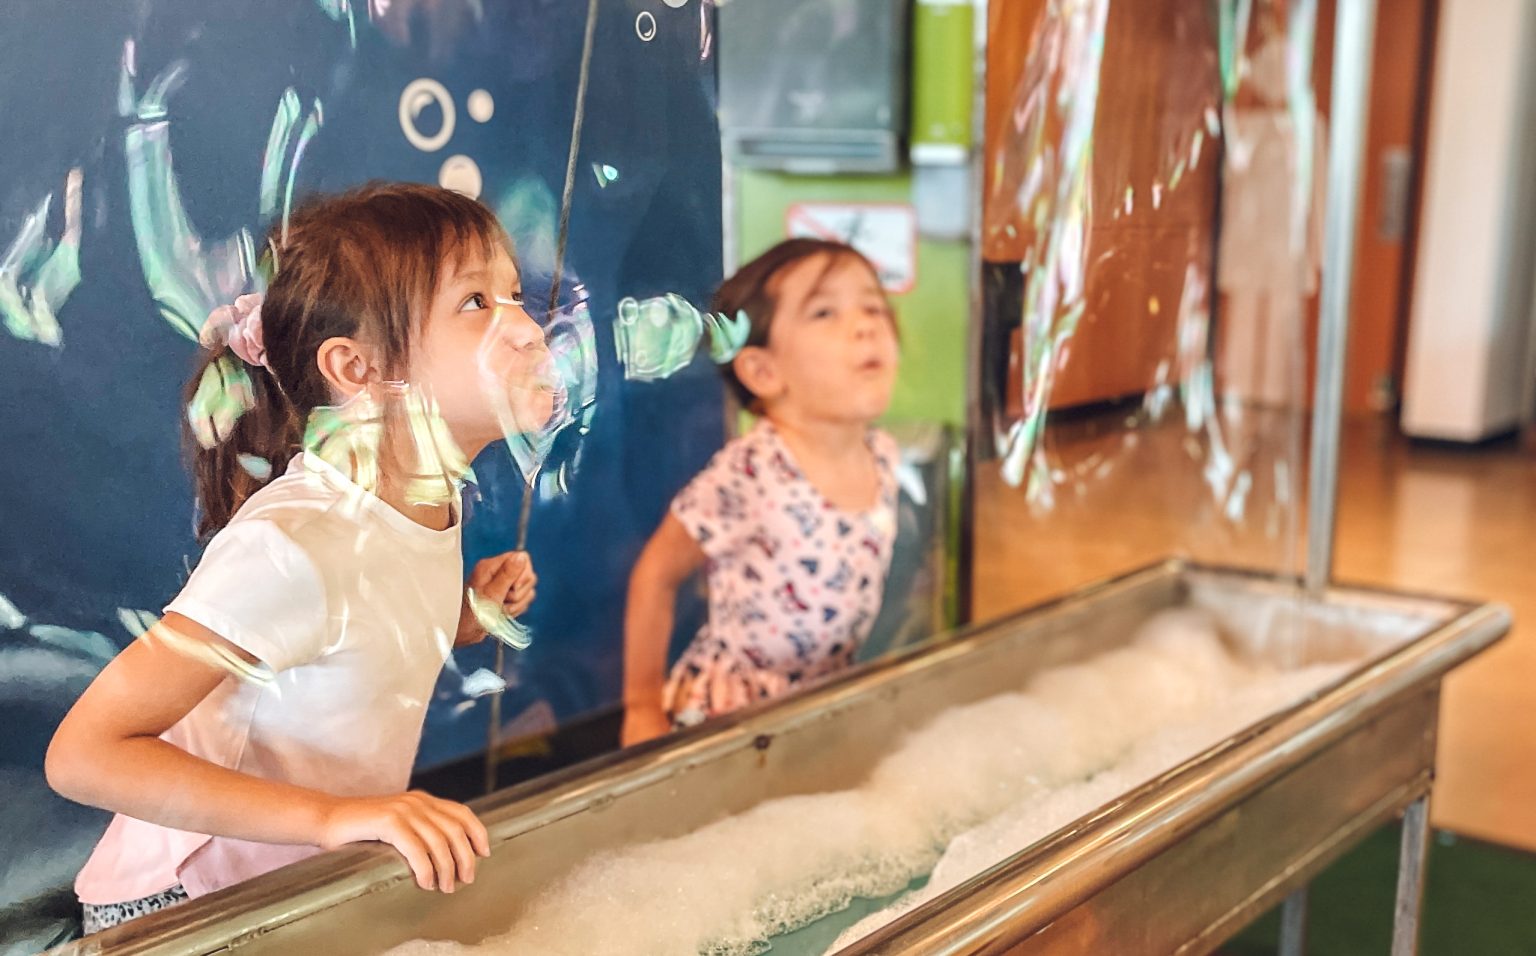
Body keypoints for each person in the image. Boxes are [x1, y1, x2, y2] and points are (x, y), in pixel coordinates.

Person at [47, 183, 549, 933]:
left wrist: (463, 617)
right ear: (357, 369)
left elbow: (355, 632)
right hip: (181, 908)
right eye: (476, 303)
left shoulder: (424, 501)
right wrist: (333, 818)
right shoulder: (295, 542)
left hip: (287, 889)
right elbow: (85, 754)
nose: (528, 329)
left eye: (515, 294)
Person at [623, 239, 901, 745]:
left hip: (819, 704)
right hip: (730, 718)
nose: (866, 325)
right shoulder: (752, 473)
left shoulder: (884, 454)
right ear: (762, 370)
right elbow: (656, 574)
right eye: (824, 312)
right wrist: (641, 708)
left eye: (873, 305)